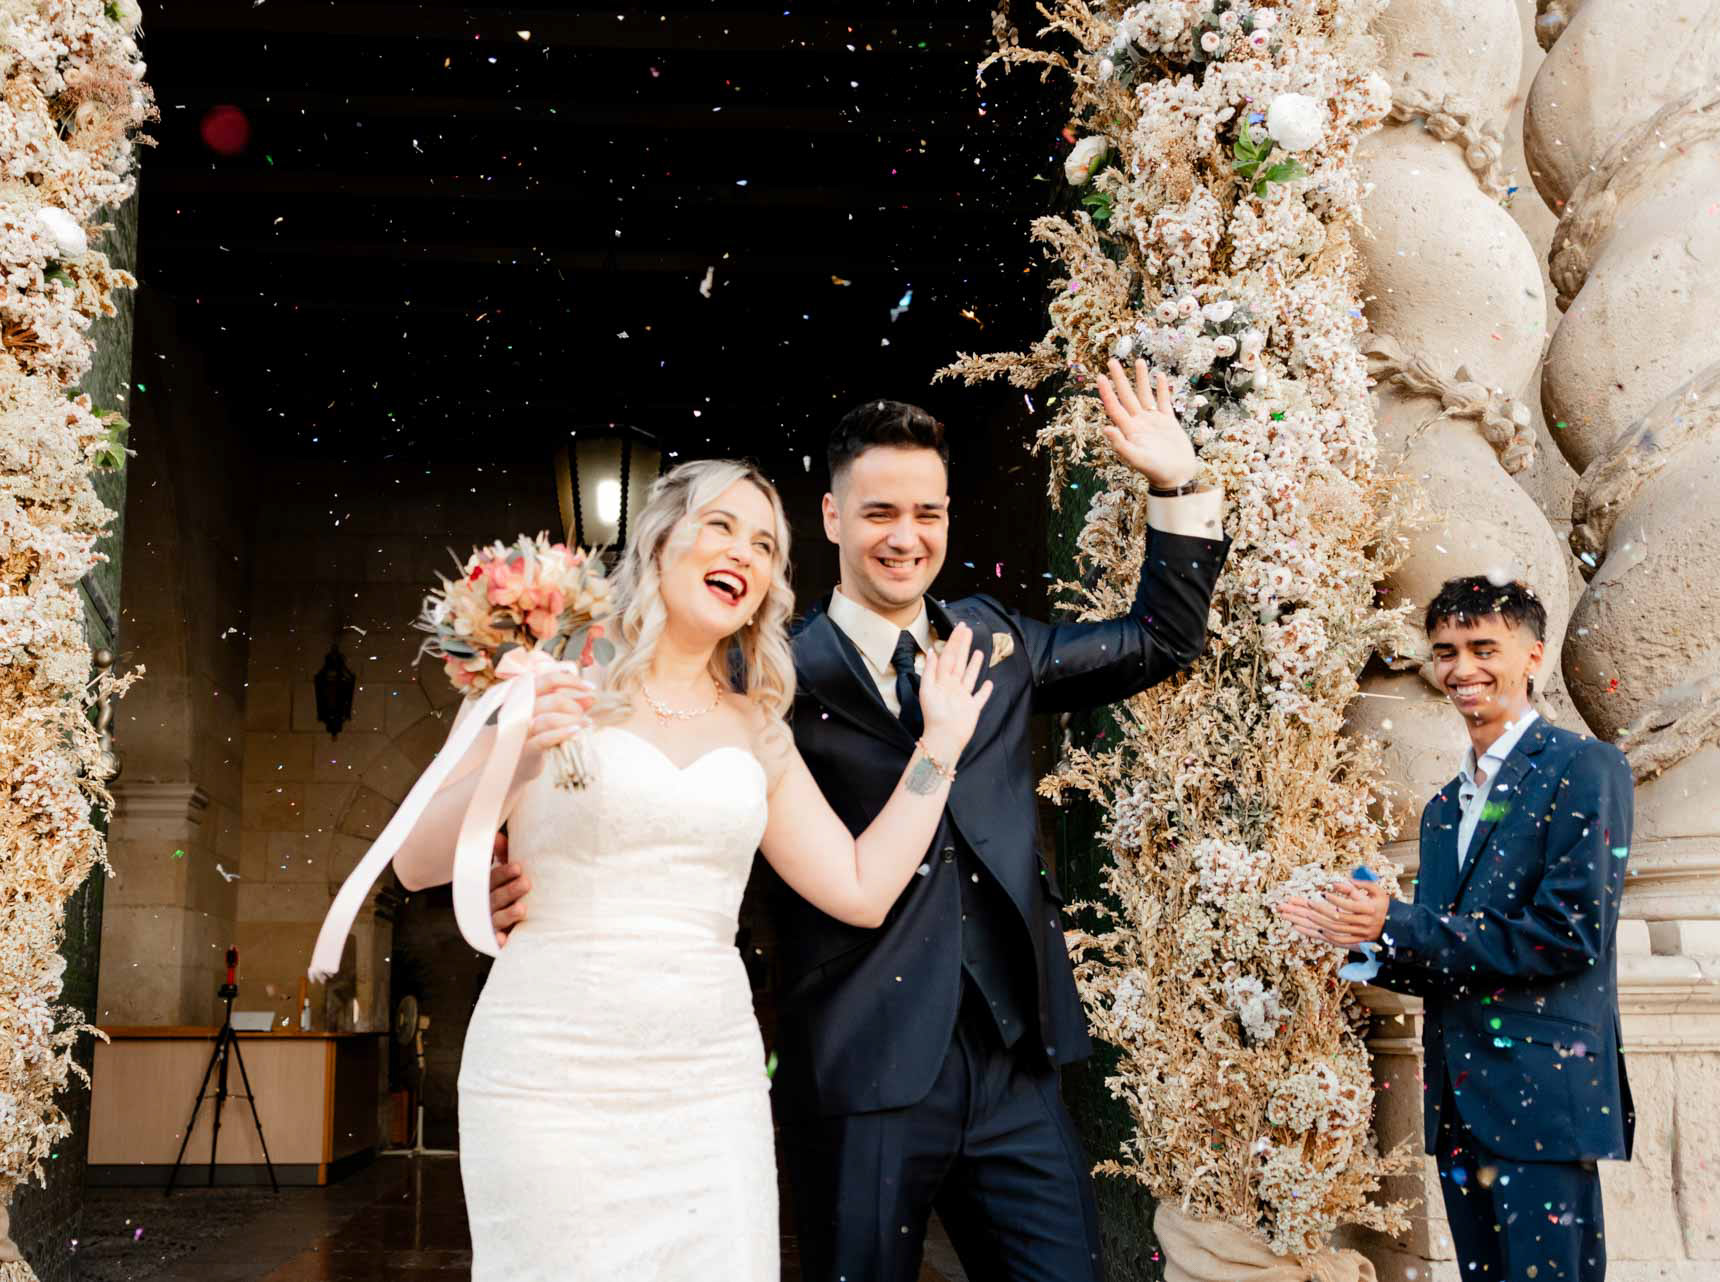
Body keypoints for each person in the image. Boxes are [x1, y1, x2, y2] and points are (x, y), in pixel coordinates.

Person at [490, 356, 1229, 1281]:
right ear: (834, 518)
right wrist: (518, 862)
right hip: (853, 1062)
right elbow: (650, 777)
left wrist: (1178, 482)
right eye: (879, 512)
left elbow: (1162, 638)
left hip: (1012, 1062)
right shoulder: (763, 674)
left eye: (927, 513)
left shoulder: (996, 641)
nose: (905, 538)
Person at [390, 457, 996, 1281]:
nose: (743, 554)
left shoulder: (757, 724)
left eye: (765, 545)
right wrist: (517, 750)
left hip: (709, 1082)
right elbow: (420, 863)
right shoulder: (544, 672)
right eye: (721, 527)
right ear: (661, 538)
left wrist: (940, 749)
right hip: (549, 1067)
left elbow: (861, 890)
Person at [1280, 575, 1635, 1282]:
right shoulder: (1445, 806)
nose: (1461, 669)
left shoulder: (1585, 768)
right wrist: (1362, 939)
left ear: (1534, 656)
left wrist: (1401, 920)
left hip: (1544, 1097)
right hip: (1461, 1102)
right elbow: (1446, 949)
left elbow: (1568, 934)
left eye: (1483, 648)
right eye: (1445, 651)